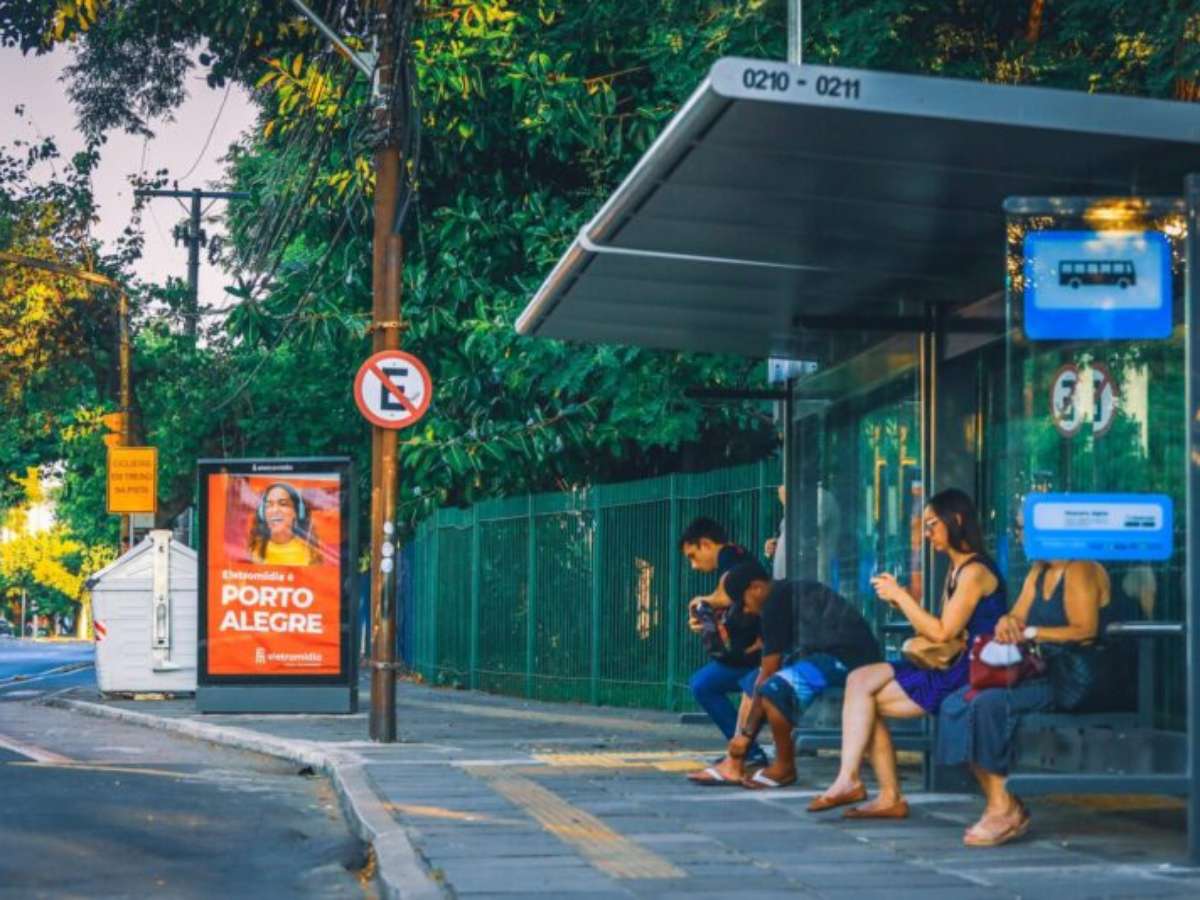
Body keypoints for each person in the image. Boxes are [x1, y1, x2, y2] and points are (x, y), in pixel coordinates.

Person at [810, 488, 1005, 818]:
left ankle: (870, 789)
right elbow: (943, 631)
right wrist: (901, 601)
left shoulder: (975, 572)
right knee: (859, 681)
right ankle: (858, 783)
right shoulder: (956, 569)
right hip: (951, 662)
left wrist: (901, 597)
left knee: (864, 700)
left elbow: (942, 632)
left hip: (968, 670)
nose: (926, 533)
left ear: (956, 520)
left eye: (932, 524)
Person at [937, 559, 1109, 846]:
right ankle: (1003, 803)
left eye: (1024, 533)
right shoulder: (1038, 571)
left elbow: (1085, 630)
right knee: (956, 703)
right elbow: (1016, 616)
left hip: (1069, 679)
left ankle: (1002, 810)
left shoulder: (1080, 568)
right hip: (1037, 669)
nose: (1022, 537)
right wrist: (1006, 622)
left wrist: (1030, 632)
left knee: (988, 704)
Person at [721, 568, 884, 789]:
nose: (746, 610)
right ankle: (734, 764)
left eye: (743, 602)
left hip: (847, 661)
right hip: (833, 656)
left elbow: (769, 672)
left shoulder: (774, 602)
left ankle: (784, 767)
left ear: (756, 588)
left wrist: (746, 736)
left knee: (774, 691)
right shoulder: (787, 592)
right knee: (754, 682)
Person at [679, 518, 766, 767]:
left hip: (763, 657)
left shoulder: (731, 557)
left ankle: (746, 751)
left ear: (706, 544)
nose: (694, 565)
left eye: (693, 556)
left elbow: (728, 591)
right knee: (703, 683)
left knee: (705, 684)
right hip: (750, 656)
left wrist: (704, 602)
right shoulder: (735, 557)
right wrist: (709, 618)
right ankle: (749, 751)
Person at [248, 482, 321, 566]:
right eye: (268, 505)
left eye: (283, 504)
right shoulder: (254, 549)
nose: (274, 510)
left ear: (297, 512)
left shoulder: (310, 551)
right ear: (262, 513)